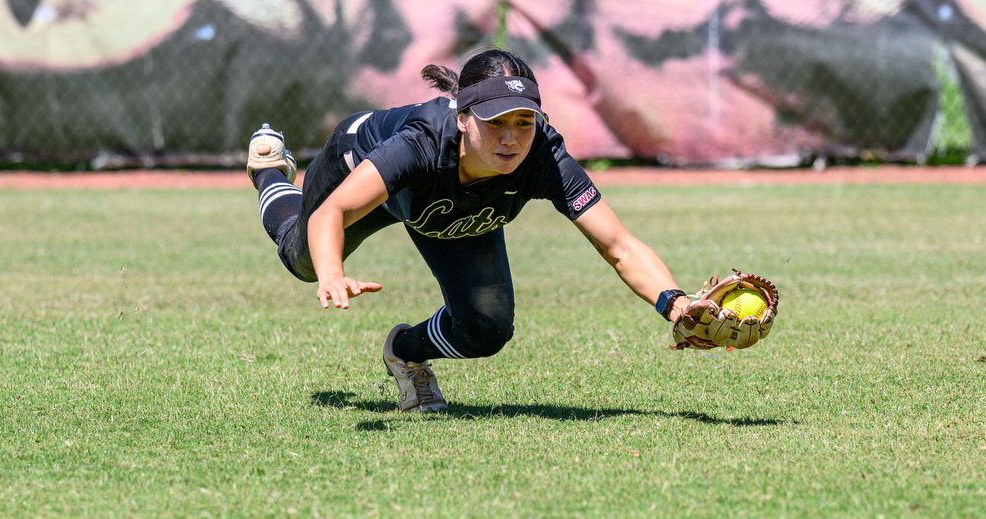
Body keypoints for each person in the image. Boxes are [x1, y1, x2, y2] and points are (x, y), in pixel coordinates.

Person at [246, 49, 694, 412]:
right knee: (304, 260)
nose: (511, 138)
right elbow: (333, 211)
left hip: (441, 207)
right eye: (495, 122)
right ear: (463, 118)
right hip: (360, 164)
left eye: (524, 122)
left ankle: (405, 351)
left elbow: (619, 245)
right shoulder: (420, 144)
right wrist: (331, 273)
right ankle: (269, 172)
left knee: (486, 329)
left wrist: (677, 306)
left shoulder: (543, 157)